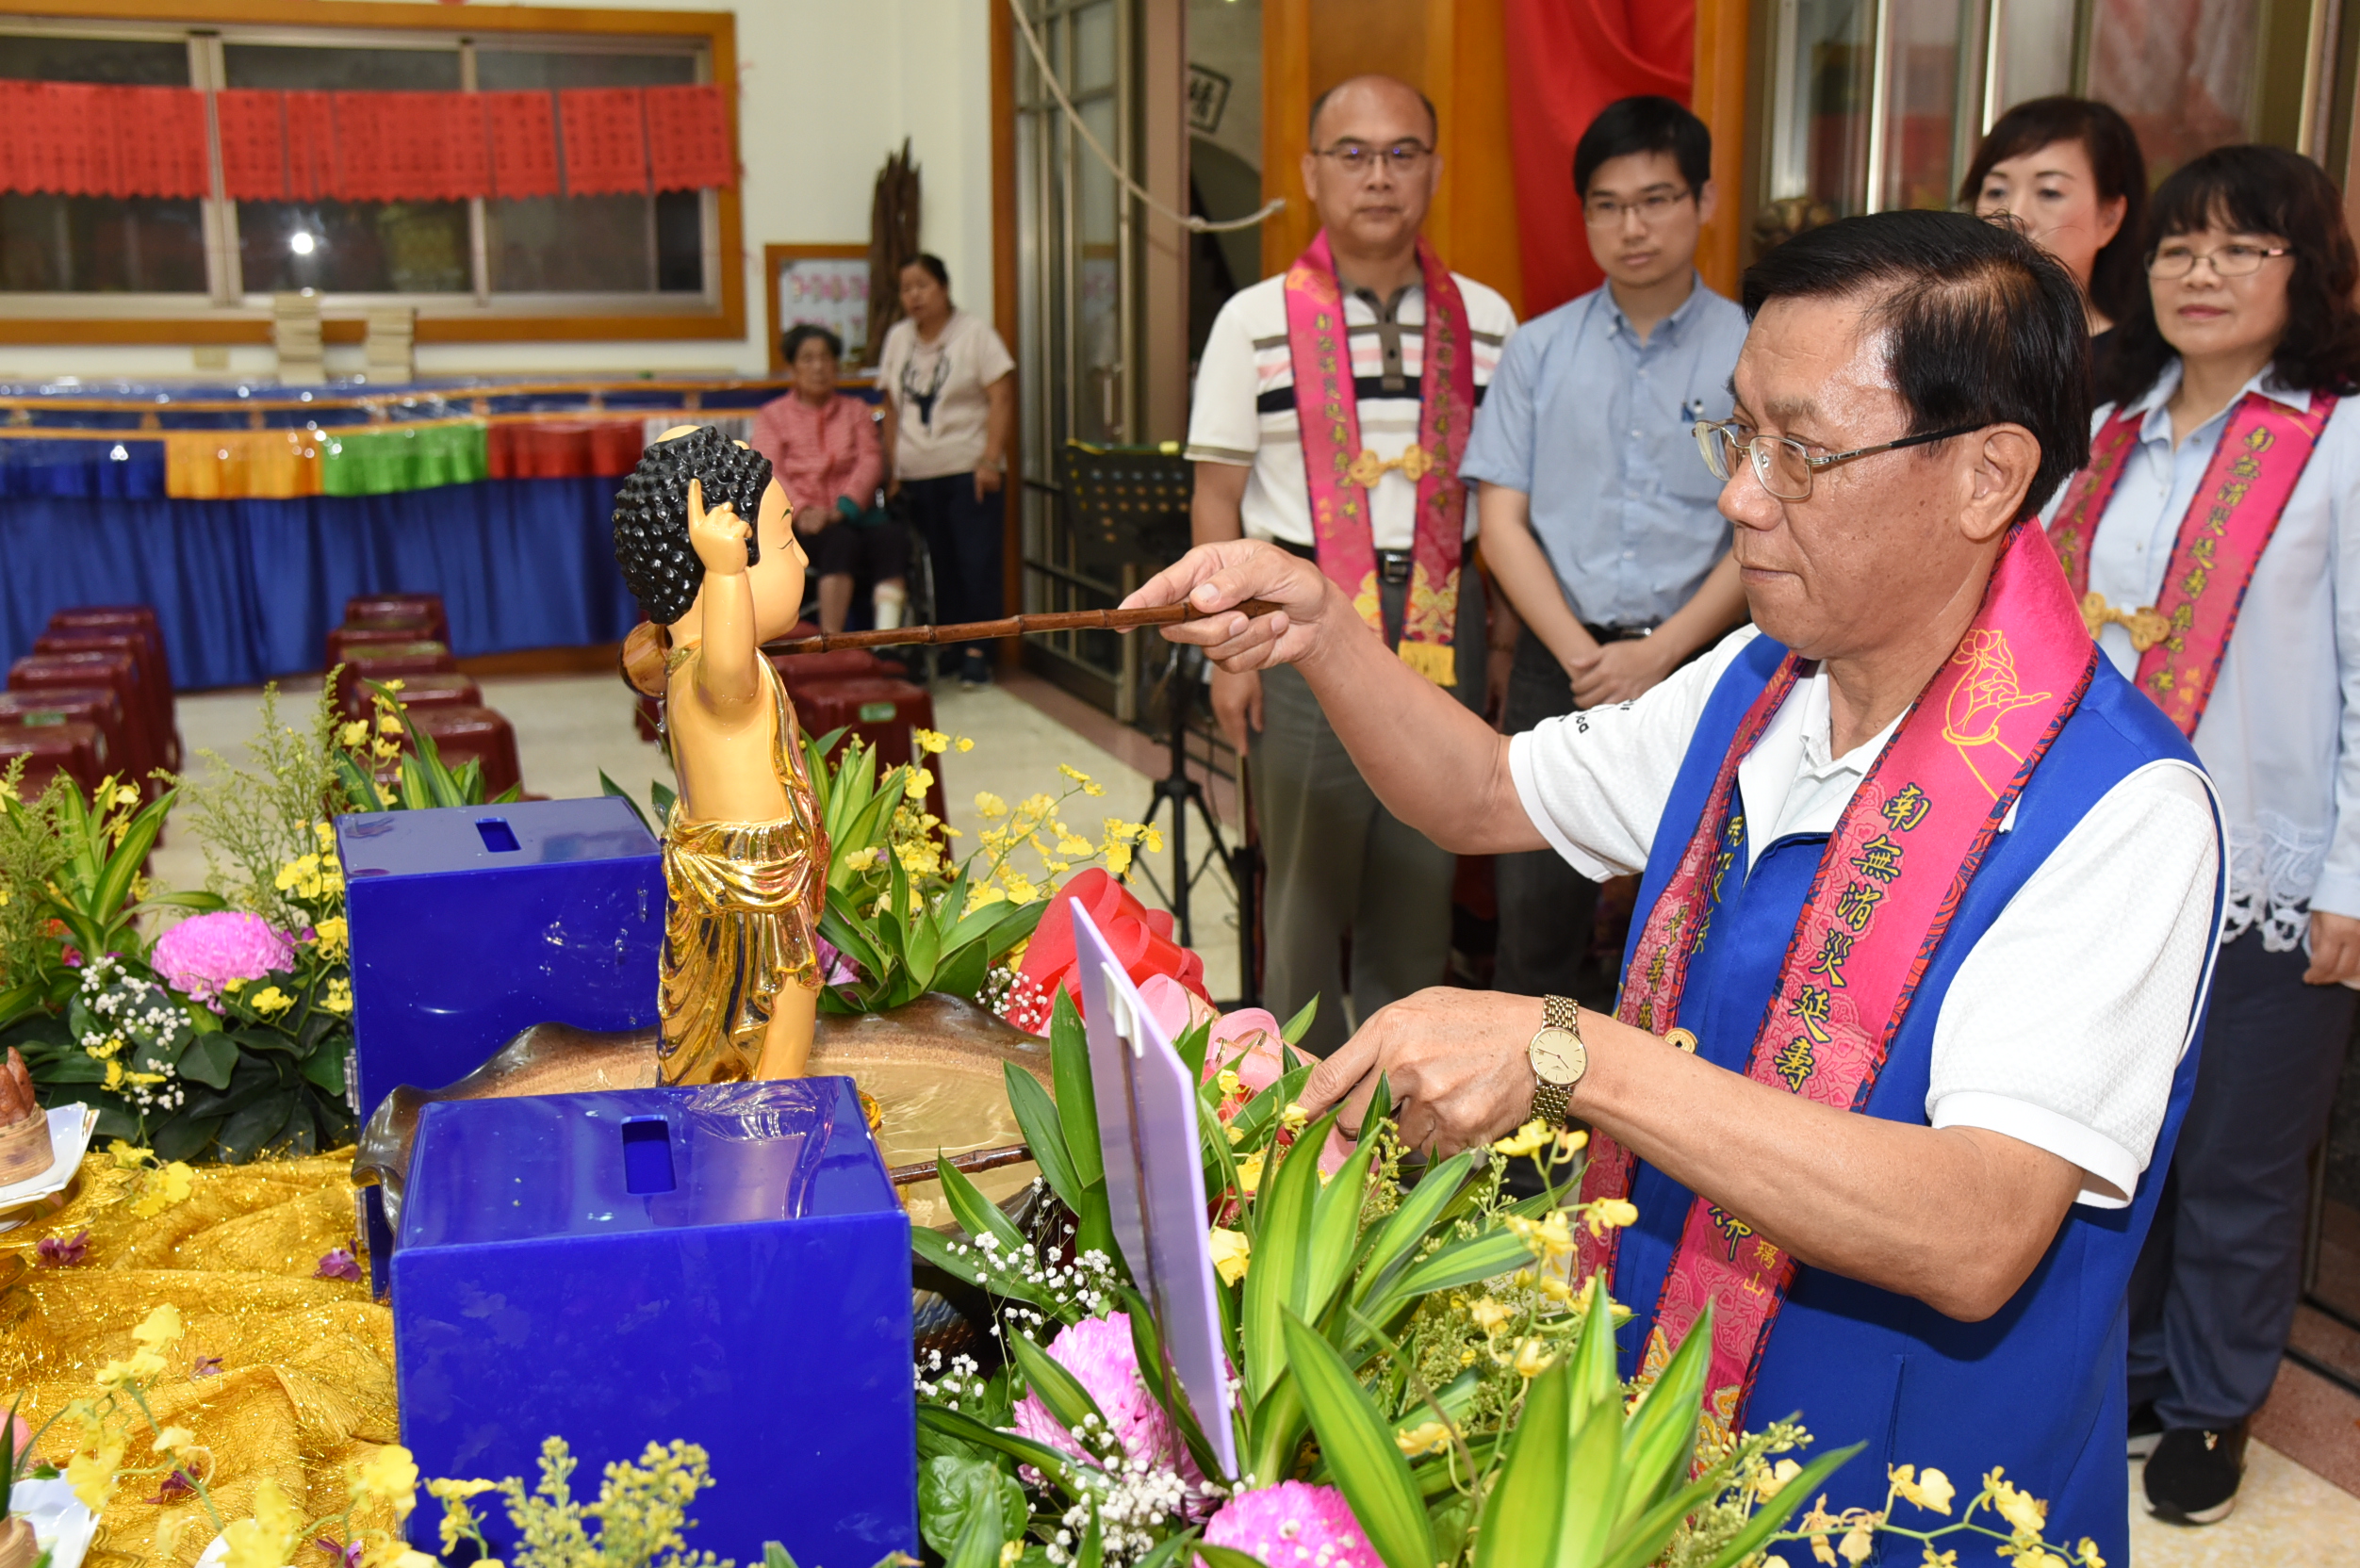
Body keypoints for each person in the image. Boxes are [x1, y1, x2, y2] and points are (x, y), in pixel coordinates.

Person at [1132, 210, 2223, 1563]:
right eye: (1739, 435)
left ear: (1987, 475)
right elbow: (1485, 791)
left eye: (1801, 452)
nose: (1741, 500)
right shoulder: (1760, 682)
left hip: (1908, 1502)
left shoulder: (2116, 807)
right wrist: (1322, 629)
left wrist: (1574, 1054)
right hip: (1659, 1435)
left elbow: (1976, 1226)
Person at [2042, 143, 2360, 1526]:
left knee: (2240, 1152)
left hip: (2267, 860)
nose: (2201, 272)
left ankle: (2215, 1398)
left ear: (2306, 272)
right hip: (2104, 856)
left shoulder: (2339, 441)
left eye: (2242, 247)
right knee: (2113, 1140)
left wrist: (2350, 876)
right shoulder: (2106, 428)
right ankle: (2132, 1367)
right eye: (2178, 247)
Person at [1183, 73, 1517, 1055]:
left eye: (1401, 154)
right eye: (1354, 154)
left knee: (1421, 875)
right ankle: (1287, 1104)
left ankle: (1397, 1100)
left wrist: (1499, 637)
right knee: (1301, 889)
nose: (1379, 177)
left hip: (1439, 617)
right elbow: (1215, 499)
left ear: (1434, 171)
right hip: (1291, 624)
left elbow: (1505, 499)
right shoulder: (1250, 320)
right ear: (1310, 172)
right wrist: (1225, 653)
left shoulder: (1490, 321)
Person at [1461, 95, 1749, 1004]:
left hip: (1705, 661)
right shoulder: (1538, 350)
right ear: (1584, 215)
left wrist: (1658, 655)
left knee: (1702, 919)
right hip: (1561, 665)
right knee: (1534, 920)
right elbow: (1500, 524)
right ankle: (1531, 1096)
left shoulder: (1754, 347)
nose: (1633, 227)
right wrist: (1586, 657)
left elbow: (1767, 525)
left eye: (1657, 200)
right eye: (1608, 206)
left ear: (1704, 201)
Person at [877, 254, 1016, 688]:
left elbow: (1001, 396)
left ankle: (979, 650)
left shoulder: (975, 333)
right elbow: (890, 407)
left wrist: (990, 458)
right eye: (906, 288)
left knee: (977, 562)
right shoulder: (898, 338)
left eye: (922, 285)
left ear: (944, 287)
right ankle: (952, 646)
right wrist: (893, 469)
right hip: (917, 475)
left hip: (968, 470)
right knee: (939, 567)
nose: (914, 296)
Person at [1963, 96, 2146, 386]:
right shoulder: (1943, 345)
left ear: (2110, 217)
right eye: (1996, 192)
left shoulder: (2144, 374)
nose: (2014, 216)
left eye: (2049, 192)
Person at [751, 324, 910, 636]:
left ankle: (887, 641)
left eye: (826, 358)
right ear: (793, 368)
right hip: (800, 523)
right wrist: (801, 510)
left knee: (893, 538)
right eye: (808, 359)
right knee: (839, 541)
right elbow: (770, 470)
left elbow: (870, 461)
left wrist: (845, 506)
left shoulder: (856, 411)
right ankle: (832, 642)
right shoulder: (773, 416)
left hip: (854, 514)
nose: (819, 367)